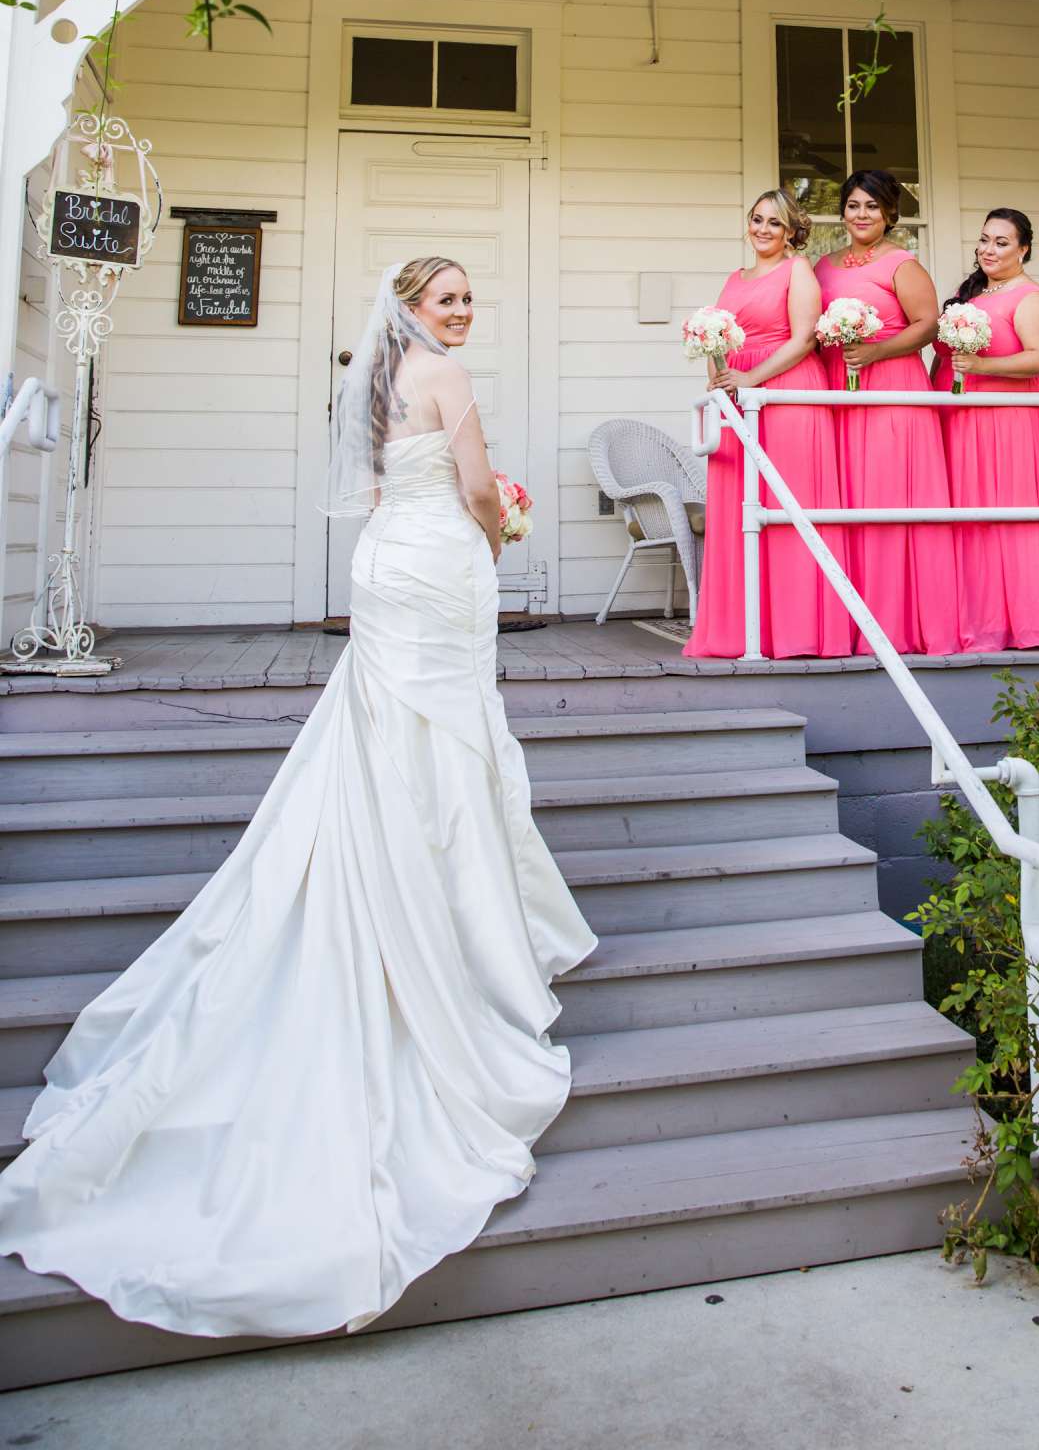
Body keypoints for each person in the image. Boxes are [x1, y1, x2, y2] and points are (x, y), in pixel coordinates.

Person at [0, 256, 596, 1340]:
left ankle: (397, 875)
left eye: (470, 296)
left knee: (391, 734)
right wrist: (501, 522)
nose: (462, 310)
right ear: (411, 305)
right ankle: (446, 921)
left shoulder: (372, 378)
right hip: (437, 564)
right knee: (445, 742)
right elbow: (471, 487)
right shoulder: (447, 380)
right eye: (446, 297)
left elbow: (377, 487)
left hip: (385, 565)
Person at [684, 188, 852, 659]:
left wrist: (751, 381)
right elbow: (717, 340)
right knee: (740, 509)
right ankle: (742, 631)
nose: (762, 229)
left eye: (774, 223)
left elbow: (802, 340)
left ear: (791, 231)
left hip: (786, 393)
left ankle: (798, 631)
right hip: (737, 396)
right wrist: (718, 387)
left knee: (788, 504)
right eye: (757, 219)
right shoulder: (734, 278)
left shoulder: (798, 271)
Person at [813, 169, 959, 655]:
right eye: (853, 205)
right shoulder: (823, 266)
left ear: (890, 214)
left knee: (889, 495)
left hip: (892, 389)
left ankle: (901, 620)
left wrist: (877, 353)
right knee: (848, 500)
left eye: (872, 206)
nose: (861, 215)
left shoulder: (903, 265)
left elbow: (928, 325)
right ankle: (849, 620)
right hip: (839, 390)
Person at [942, 209, 1039, 653]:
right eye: (984, 240)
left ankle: (1021, 624)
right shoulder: (971, 293)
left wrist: (980, 366)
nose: (988, 250)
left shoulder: (1030, 297)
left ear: (1023, 249)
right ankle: (974, 618)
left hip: (1008, 420)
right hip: (966, 419)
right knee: (971, 518)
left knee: (1007, 514)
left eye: (1000, 242)